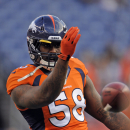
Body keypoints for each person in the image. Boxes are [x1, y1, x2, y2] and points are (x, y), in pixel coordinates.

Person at [6, 15, 130, 130]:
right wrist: (64, 57)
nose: (53, 51)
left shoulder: (76, 67)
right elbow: (46, 95)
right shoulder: (21, 77)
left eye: (57, 45)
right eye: (46, 45)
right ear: (34, 46)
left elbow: (106, 114)